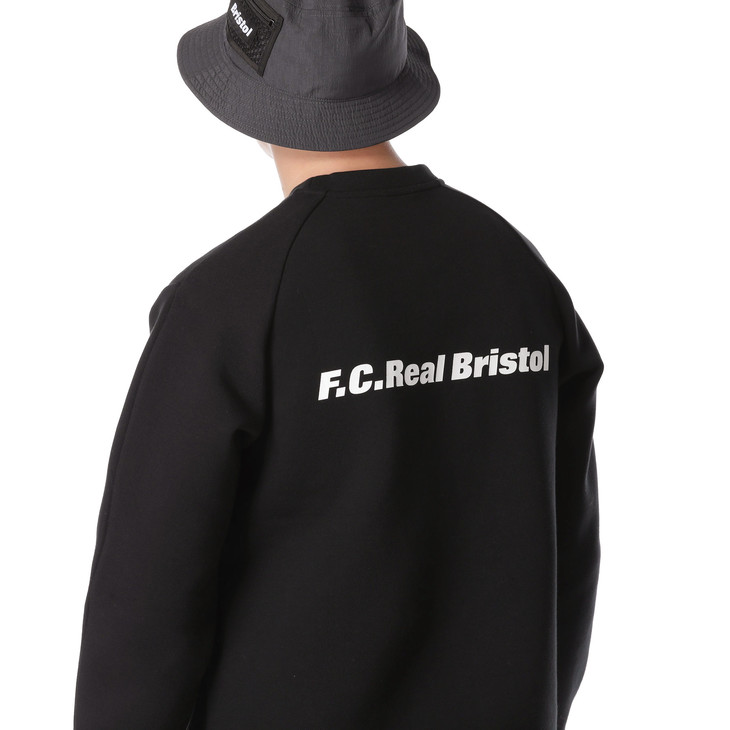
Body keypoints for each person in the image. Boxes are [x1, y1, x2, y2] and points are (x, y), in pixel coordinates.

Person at [73, 1, 604, 728]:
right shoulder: (518, 272)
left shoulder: (228, 302)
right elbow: (570, 552)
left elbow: (142, 605)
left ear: (253, 108)